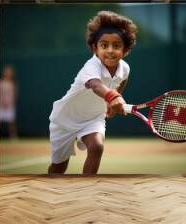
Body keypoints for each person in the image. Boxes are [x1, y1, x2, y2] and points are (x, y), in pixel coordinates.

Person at [48, 11, 137, 175]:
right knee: (59, 167)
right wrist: (113, 97)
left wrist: (111, 100)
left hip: (94, 118)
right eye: (104, 45)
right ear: (95, 48)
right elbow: (96, 85)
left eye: (116, 46)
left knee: (97, 147)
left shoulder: (125, 68)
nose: (110, 50)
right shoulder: (91, 66)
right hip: (65, 118)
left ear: (125, 50)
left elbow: (122, 80)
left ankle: (88, 189)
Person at [0, 65, 18, 139]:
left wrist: (11, 102)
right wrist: (1, 101)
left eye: (9, 72)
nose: (8, 73)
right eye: (7, 72)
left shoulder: (13, 83)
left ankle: (13, 136)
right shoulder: (1, 82)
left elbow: (15, 94)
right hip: (1, 105)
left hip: (10, 105)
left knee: (11, 122)